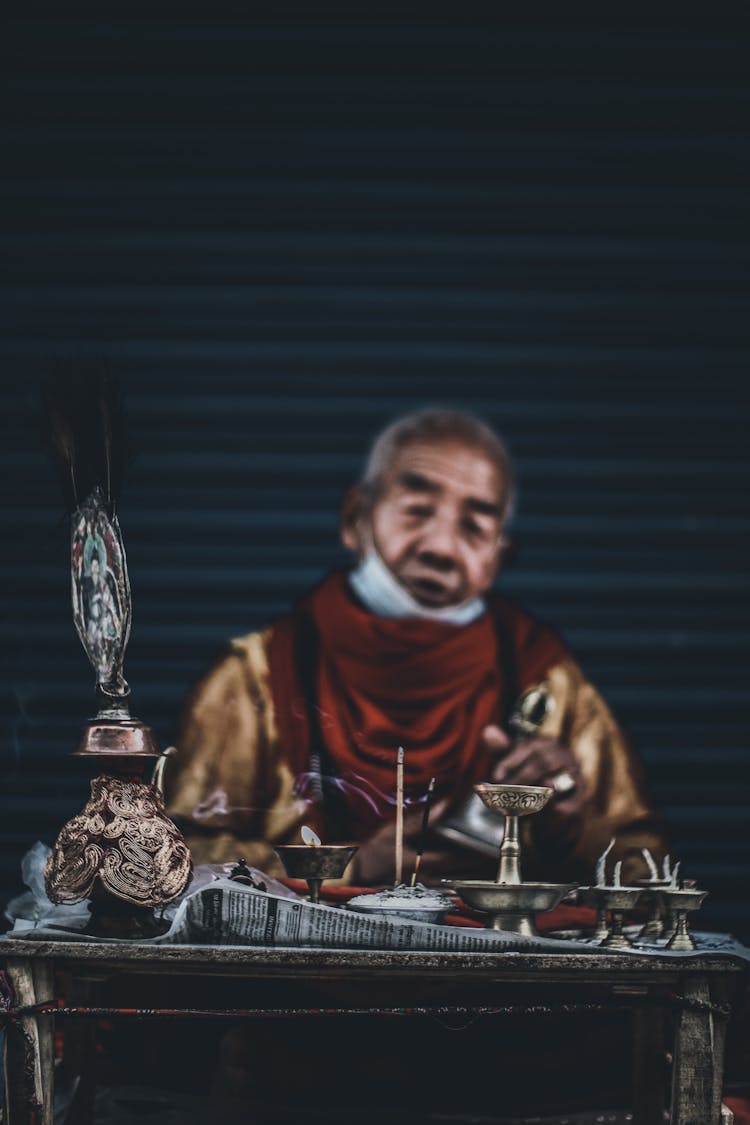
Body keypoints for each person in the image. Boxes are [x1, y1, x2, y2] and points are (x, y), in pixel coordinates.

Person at [165, 408, 668, 886]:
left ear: (499, 556)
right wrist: (349, 867)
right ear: (355, 517)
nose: (441, 548)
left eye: (475, 526)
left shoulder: (545, 680)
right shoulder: (258, 676)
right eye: (416, 511)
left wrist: (571, 830)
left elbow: (649, 869)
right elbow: (172, 858)